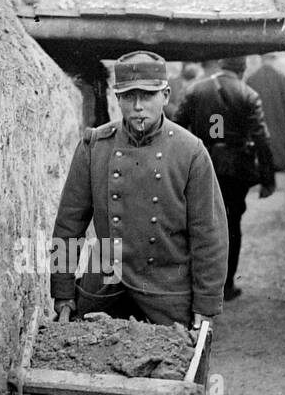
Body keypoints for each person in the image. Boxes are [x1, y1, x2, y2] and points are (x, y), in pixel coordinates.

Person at [50, 49, 228, 330]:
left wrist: (206, 304)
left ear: (165, 96)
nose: (137, 106)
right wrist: (62, 290)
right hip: (103, 291)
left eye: (147, 96)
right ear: (117, 98)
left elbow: (209, 235)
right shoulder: (95, 147)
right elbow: (68, 225)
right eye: (128, 97)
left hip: (166, 296)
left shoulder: (190, 151)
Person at [175, 56, 275, 301]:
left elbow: (177, 128)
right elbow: (262, 138)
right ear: (242, 70)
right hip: (237, 169)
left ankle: (198, 284)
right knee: (232, 225)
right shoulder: (248, 94)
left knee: (199, 223)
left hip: (202, 165)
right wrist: (267, 178)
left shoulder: (195, 90)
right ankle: (226, 285)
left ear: (221, 66)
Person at [246, 53, 285, 175]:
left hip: (259, 121)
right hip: (278, 120)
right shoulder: (281, 77)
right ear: (273, 59)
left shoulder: (251, 79)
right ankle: (278, 163)